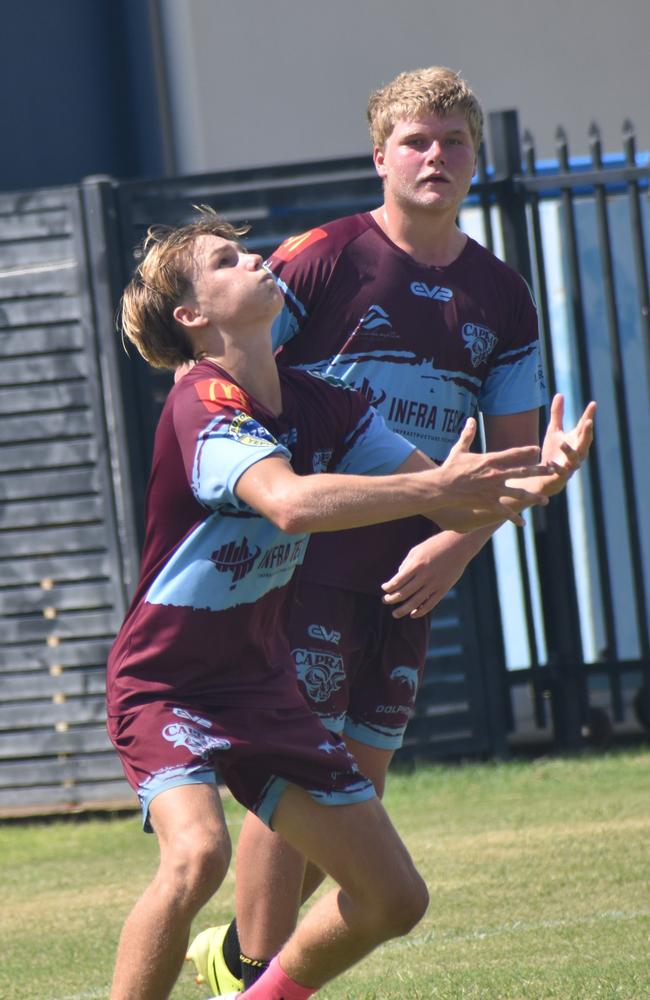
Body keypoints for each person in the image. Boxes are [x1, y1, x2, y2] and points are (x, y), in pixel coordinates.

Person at [186, 66, 596, 997]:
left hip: (411, 570)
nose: (435, 157)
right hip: (301, 560)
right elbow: (227, 370)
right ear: (381, 156)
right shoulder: (324, 256)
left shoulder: (501, 293)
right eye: (416, 141)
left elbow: (510, 462)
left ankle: (240, 967)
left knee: (356, 794)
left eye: (453, 142)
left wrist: (456, 544)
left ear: (474, 160)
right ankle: (249, 972)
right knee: (301, 782)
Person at [106, 210, 566, 1000]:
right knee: (198, 858)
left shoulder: (326, 404)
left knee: (393, 898)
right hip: (168, 683)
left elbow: (458, 504)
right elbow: (287, 503)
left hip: (259, 687)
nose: (255, 261)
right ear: (193, 316)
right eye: (227, 261)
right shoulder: (201, 404)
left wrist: (537, 480)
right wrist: (436, 489)